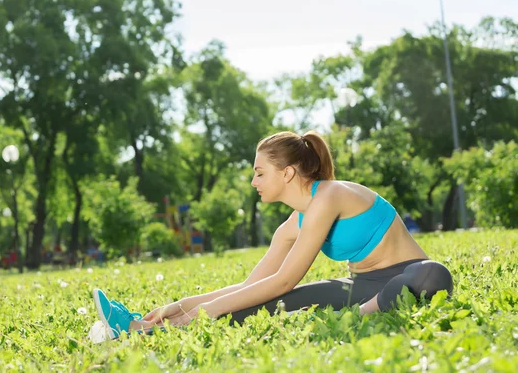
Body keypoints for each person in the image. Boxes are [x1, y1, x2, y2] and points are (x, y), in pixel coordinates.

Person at [93, 130, 453, 339]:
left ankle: (359, 316)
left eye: (260, 173)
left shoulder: (328, 195)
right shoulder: (294, 223)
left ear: (288, 173)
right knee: (255, 306)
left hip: (405, 276)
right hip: (361, 285)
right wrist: (180, 306)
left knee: (434, 274)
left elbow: (284, 281)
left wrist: (201, 313)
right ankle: (141, 326)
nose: (253, 182)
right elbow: (250, 288)